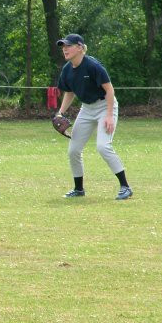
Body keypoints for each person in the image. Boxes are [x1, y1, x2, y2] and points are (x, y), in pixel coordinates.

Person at [56, 33, 133, 200]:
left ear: (80, 47)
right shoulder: (67, 69)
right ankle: (78, 189)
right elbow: (69, 92)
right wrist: (60, 112)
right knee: (73, 150)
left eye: (68, 45)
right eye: (63, 46)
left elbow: (110, 90)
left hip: (105, 105)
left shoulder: (93, 66)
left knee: (103, 146)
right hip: (87, 109)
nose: (65, 49)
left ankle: (125, 186)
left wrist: (109, 116)